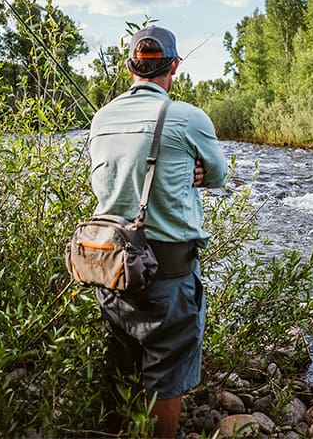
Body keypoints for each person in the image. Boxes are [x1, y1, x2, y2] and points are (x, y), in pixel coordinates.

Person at [88, 25, 227, 437]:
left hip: (110, 269)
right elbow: (217, 174)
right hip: (168, 275)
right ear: (175, 67)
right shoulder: (189, 117)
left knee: (122, 367)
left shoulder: (101, 118)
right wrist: (193, 170)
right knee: (166, 375)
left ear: (130, 66)